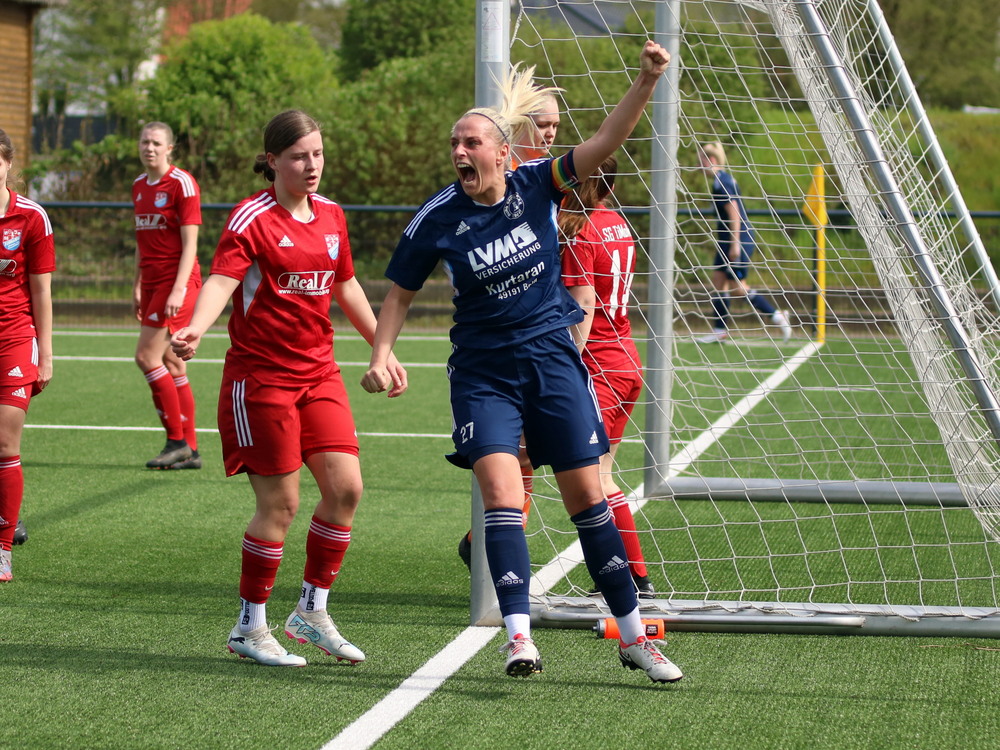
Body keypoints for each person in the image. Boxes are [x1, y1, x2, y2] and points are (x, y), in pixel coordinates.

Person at [362, 42, 682, 683]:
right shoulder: (437, 217)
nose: (459, 152)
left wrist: (646, 82)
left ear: (503, 153)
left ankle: (632, 635)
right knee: (503, 499)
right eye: (454, 143)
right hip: (483, 375)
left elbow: (604, 140)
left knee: (588, 496)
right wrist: (381, 352)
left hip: (553, 363)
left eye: (471, 143)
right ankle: (517, 639)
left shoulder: (539, 184)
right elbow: (398, 293)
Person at [171, 110, 406, 668]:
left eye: (318, 154)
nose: (312, 166)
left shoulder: (331, 215)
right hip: (261, 380)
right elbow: (224, 280)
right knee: (282, 504)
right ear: (273, 160)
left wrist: (383, 350)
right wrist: (196, 329)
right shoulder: (250, 218)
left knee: (346, 489)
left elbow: (345, 285)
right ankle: (249, 627)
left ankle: (311, 612)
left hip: (318, 373)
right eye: (300, 156)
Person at [456, 84, 562, 569]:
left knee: (538, 462)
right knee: (514, 457)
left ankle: (495, 540)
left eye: (557, 125)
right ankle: (495, 544)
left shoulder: (544, 180)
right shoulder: (499, 184)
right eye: (543, 123)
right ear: (514, 133)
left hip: (549, 343)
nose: (551, 132)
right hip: (498, 352)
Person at [559, 154, 654, 599]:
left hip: (598, 365)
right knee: (603, 473)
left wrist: (568, 366)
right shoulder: (617, 221)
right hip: (626, 357)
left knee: (594, 480)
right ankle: (634, 575)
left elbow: (584, 304)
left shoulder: (579, 232)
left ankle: (633, 577)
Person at [0, 128, 55, 581]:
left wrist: (48, 354)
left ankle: (2, 549)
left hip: (16, 339)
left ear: (8, 163)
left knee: (5, 442)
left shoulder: (32, 218)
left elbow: (41, 290)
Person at [132, 122, 203, 469]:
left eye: (157, 143)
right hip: (151, 282)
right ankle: (191, 449)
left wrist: (177, 288)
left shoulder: (182, 183)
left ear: (169, 149)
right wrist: (136, 284)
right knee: (172, 361)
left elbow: (191, 242)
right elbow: (140, 242)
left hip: (177, 282)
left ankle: (175, 440)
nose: (150, 148)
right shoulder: (138, 186)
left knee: (147, 356)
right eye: (145, 142)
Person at [696, 141, 791, 343]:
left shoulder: (723, 182)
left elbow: (734, 213)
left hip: (736, 240)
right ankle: (719, 330)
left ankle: (777, 315)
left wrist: (735, 244)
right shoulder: (718, 181)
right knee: (718, 282)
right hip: (726, 241)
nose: (699, 165)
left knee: (738, 288)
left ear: (710, 160)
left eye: (701, 161)